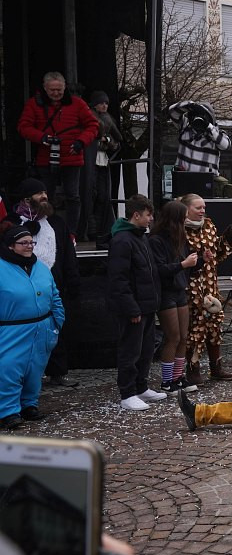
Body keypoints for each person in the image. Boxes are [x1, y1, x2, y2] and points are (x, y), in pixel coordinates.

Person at [12, 178, 80, 388]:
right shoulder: (12, 222)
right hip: (21, 287)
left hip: (53, 285)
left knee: (55, 329)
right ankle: (24, 375)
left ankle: (58, 371)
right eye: (39, 193)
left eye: (45, 192)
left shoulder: (57, 222)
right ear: (26, 198)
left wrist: (73, 280)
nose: (45, 196)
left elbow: (68, 254)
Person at [17, 71, 99, 236]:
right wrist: (41, 137)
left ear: (65, 88)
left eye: (59, 90)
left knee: (73, 196)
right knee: (44, 197)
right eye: (52, 90)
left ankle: (71, 234)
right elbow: (23, 127)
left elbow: (93, 125)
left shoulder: (78, 104)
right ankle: (45, 231)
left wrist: (81, 142)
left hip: (72, 157)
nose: (56, 93)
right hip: (45, 158)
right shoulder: (35, 104)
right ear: (45, 89)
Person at [0, 225, 64, 429]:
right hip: (11, 329)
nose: (29, 246)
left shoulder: (40, 267)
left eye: (31, 242)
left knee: (35, 370)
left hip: (42, 327)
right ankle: (8, 411)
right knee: (9, 369)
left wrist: (57, 322)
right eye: (24, 243)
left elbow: (54, 295)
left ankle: (29, 405)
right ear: (11, 246)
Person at [107, 195, 166, 412]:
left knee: (146, 349)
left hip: (147, 305)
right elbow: (119, 279)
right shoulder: (122, 241)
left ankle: (141, 387)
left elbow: (149, 273)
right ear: (136, 215)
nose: (151, 219)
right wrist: (131, 307)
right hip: (134, 307)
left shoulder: (140, 238)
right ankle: (127, 393)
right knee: (130, 350)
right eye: (148, 214)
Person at [181, 193, 232, 382]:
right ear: (186, 209)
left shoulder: (209, 226)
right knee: (195, 327)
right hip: (192, 287)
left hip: (211, 285)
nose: (202, 210)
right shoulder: (179, 230)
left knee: (215, 325)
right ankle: (193, 370)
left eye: (204, 207)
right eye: (198, 208)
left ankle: (216, 368)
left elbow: (216, 255)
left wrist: (226, 242)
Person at [149, 200, 199, 396]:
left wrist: (201, 261)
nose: (187, 220)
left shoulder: (180, 238)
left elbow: (185, 265)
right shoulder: (156, 240)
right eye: (184, 217)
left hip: (179, 290)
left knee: (183, 337)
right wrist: (184, 265)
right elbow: (160, 269)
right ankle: (167, 381)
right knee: (173, 337)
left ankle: (178, 377)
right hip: (166, 293)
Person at [84, 90, 122, 246]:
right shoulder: (88, 117)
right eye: (101, 103)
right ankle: (90, 230)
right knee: (89, 195)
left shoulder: (108, 118)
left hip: (102, 161)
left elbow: (116, 142)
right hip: (88, 161)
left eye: (106, 103)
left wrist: (106, 141)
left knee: (103, 196)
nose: (104, 105)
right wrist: (103, 141)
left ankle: (100, 230)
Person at [167, 100, 231, 174]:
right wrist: (191, 105)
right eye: (195, 115)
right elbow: (172, 111)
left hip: (205, 181)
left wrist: (207, 125)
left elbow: (226, 145)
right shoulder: (185, 126)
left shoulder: (215, 134)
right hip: (182, 179)